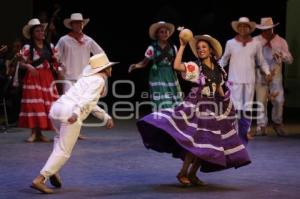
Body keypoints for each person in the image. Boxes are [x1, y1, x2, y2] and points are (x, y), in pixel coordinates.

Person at [137, 34, 251, 186]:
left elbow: (219, 90)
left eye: (204, 47)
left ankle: (191, 174)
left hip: (212, 108)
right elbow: (177, 66)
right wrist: (183, 46)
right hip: (196, 107)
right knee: (195, 142)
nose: (201, 50)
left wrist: (227, 103)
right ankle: (183, 173)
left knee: (206, 144)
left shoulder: (218, 70)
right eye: (198, 48)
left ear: (211, 50)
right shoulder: (196, 67)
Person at [30, 52, 116, 194]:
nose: (111, 69)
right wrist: (76, 113)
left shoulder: (86, 79)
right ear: (105, 69)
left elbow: (91, 103)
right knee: (64, 150)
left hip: (57, 109)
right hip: (70, 112)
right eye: (109, 67)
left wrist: (106, 117)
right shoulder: (100, 80)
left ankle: (53, 171)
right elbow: (87, 100)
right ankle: (40, 179)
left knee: (59, 142)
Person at [220, 17, 272, 144]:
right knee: (234, 108)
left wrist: (268, 72)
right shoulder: (230, 43)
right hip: (234, 80)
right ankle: (232, 131)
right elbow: (224, 60)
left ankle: (245, 131)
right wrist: (214, 71)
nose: (243, 28)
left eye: (245, 26)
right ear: (237, 28)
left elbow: (261, 61)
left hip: (249, 80)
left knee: (246, 108)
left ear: (250, 28)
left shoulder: (256, 44)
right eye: (240, 26)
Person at [56, 13, 104, 139]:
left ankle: (75, 132)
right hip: (69, 76)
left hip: (84, 78)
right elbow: (56, 57)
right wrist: (59, 69)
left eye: (81, 22)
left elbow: (101, 54)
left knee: (80, 107)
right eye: (76, 23)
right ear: (71, 25)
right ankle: (65, 133)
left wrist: (97, 70)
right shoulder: (64, 40)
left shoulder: (88, 40)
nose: (79, 25)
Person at [19, 18, 60, 142]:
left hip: (47, 77)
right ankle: (33, 133)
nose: (41, 33)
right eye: (38, 31)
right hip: (33, 77)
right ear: (32, 34)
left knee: (45, 106)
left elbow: (55, 63)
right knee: (34, 105)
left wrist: (57, 64)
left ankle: (40, 134)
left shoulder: (50, 46)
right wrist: (28, 66)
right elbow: (20, 63)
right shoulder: (27, 47)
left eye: (42, 31)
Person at [129, 21, 182, 110]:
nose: (165, 34)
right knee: (161, 100)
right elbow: (144, 63)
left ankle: (172, 121)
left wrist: (184, 74)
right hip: (157, 76)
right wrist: (135, 66)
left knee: (173, 99)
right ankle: (160, 121)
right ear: (157, 34)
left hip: (170, 76)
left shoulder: (174, 48)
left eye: (166, 32)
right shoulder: (152, 48)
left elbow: (176, 64)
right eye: (162, 32)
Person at [254, 17, 293, 136]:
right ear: (261, 29)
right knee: (261, 100)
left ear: (273, 28)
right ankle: (261, 125)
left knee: (279, 100)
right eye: (265, 29)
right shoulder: (256, 41)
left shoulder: (280, 41)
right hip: (261, 74)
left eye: (269, 29)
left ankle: (277, 123)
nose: (267, 31)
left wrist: (282, 55)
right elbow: (250, 58)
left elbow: (290, 59)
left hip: (275, 74)